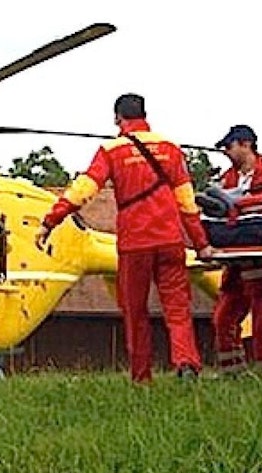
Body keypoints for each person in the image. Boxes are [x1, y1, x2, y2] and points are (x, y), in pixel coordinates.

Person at [36, 93, 217, 383]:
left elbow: (84, 189)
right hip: (170, 240)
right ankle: (186, 363)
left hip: (135, 243)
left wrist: (51, 220)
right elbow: (186, 202)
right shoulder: (170, 148)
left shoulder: (111, 150)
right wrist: (201, 244)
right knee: (178, 309)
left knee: (135, 312)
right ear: (145, 114)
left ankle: (142, 377)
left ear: (117, 118)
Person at [209, 124, 262, 375]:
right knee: (224, 318)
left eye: (229, 146)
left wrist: (239, 204)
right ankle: (232, 372)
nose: (226, 152)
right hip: (236, 263)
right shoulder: (227, 179)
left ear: (246, 144)